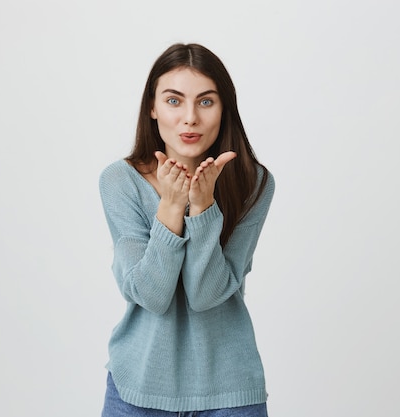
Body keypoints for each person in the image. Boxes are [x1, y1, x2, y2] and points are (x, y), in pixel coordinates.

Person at [99, 42, 275, 417]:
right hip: (138, 388)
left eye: (206, 101)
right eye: (174, 101)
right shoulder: (120, 181)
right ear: (152, 107)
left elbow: (205, 294)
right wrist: (172, 207)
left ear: (224, 108)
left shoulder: (253, 182)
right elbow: (150, 294)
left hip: (229, 392)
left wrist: (204, 207)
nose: (190, 118)